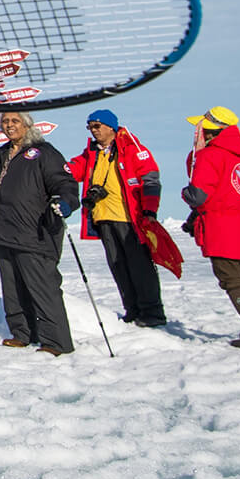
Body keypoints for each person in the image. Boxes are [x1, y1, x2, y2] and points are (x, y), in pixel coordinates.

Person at [0, 111, 80, 354]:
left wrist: (65, 202)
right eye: (5, 122)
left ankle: (56, 341)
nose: (9, 125)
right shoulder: (2, 155)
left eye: (15, 121)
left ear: (27, 124)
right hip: (4, 233)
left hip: (35, 233)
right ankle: (23, 333)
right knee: (12, 290)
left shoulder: (44, 153)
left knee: (43, 289)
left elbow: (65, 183)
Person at [182, 106, 240, 348]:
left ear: (211, 132)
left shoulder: (209, 156)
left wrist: (186, 194)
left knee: (232, 280)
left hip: (222, 229)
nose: (197, 133)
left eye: (200, 128)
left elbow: (198, 195)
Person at [67, 108, 167, 327]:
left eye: (97, 126)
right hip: (103, 218)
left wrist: (150, 211)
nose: (93, 131)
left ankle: (152, 313)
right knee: (118, 265)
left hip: (128, 218)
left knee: (140, 266)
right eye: (90, 127)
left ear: (110, 127)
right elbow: (73, 170)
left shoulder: (132, 149)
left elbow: (151, 180)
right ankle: (132, 310)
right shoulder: (92, 153)